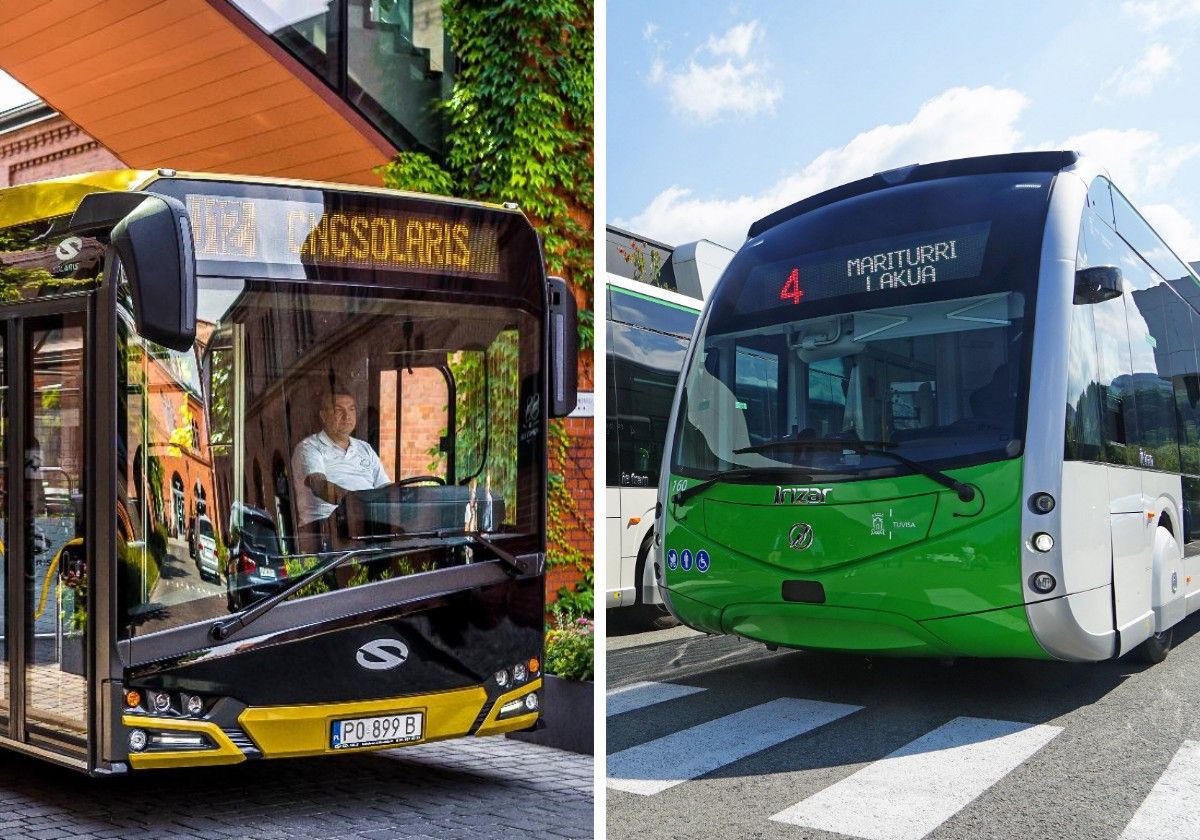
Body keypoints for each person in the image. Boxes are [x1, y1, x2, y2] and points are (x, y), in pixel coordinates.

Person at [291, 390, 390, 549]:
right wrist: (358, 504)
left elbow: (384, 488)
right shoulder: (308, 448)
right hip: (324, 532)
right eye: (339, 411)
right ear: (323, 416)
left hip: (365, 526)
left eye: (351, 409)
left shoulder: (365, 448)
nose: (347, 416)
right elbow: (319, 485)